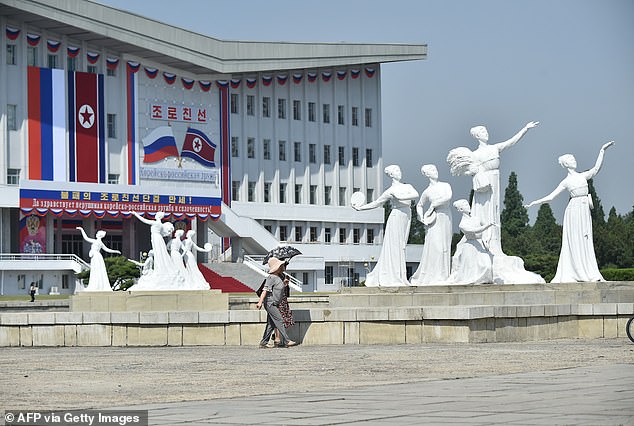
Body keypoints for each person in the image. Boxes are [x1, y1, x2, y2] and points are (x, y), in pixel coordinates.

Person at [447, 122, 544, 284]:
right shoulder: (475, 154)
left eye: (486, 130)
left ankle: (494, 243)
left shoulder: (495, 147)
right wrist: (476, 171)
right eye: (483, 131)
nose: (486, 133)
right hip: (485, 185)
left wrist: (525, 129)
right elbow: (469, 171)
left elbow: (511, 141)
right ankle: (484, 239)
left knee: (494, 210)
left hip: (495, 181)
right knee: (484, 210)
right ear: (477, 136)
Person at [525, 141, 614, 283]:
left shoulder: (582, 176)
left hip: (584, 208)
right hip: (574, 211)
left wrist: (602, 150)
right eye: (571, 159)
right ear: (566, 164)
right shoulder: (566, 181)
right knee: (575, 239)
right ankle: (577, 270)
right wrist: (535, 202)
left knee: (585, 238)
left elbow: (596, 169)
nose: (574, 161)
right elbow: (551, 197)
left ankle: (588, 270)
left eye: (574, 158)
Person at [352, 165, 419, 286]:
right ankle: (394, 275)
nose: (400, 173)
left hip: (406, 215)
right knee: (395, 246)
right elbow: (377, 203)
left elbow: (415, 195)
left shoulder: (407, 186)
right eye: (397, 171)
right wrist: (361, 208)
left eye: (400, 170)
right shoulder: (389, 191)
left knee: (402, 246)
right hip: (396, 217)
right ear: (392, 175)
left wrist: (399, 196)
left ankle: (400, 276)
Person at [410, 164, 453, 285]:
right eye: (433, 170)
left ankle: (443, 274)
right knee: (435, 246)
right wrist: (421, 216)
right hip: (433, 219)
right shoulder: (427, 191)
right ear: (427, 174)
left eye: (436, 169)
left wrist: (433, 205)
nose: (436, 172)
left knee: (445, 245)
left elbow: (448, 197)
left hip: (445, 216)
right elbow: (419, 205)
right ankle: (435, 274)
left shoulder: (445, 185)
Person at [446, 199, 494, 285]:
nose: (467, 206)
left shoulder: (476, 218)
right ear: (460, 209)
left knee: (487, 266)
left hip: (479, 245)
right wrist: (488, 225)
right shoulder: (462, 224)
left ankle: (484, 281)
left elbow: (488, 228)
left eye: (467, 204)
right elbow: (475, 230)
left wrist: (487, 238)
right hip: (470, 247)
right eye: (465, 205)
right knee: (473, 270)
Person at [256, 258, 298, 348]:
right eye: (282, 265)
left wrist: (285, 284)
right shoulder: (271, 277)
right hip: (270, 303)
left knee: (271, 324)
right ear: (277, 267)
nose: (284, 266)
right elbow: (265, 290)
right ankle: (287, 340)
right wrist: (260, 302)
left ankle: (263, 342)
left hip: (275, 303)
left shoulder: (278, 277)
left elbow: (278, 289)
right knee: (279, 320)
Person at [76, 227, 121, 291]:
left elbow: (86, 238)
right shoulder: (101, 243)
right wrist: (115, 251)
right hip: (98, 256)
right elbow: (107, 250)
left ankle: (95, 285)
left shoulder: (95, 241)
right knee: (99, 270)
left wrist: (81, 229)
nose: (96, 234)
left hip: (95, 256)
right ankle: (99, 285)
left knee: (95, 270)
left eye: (97, 233)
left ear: (99, 235)